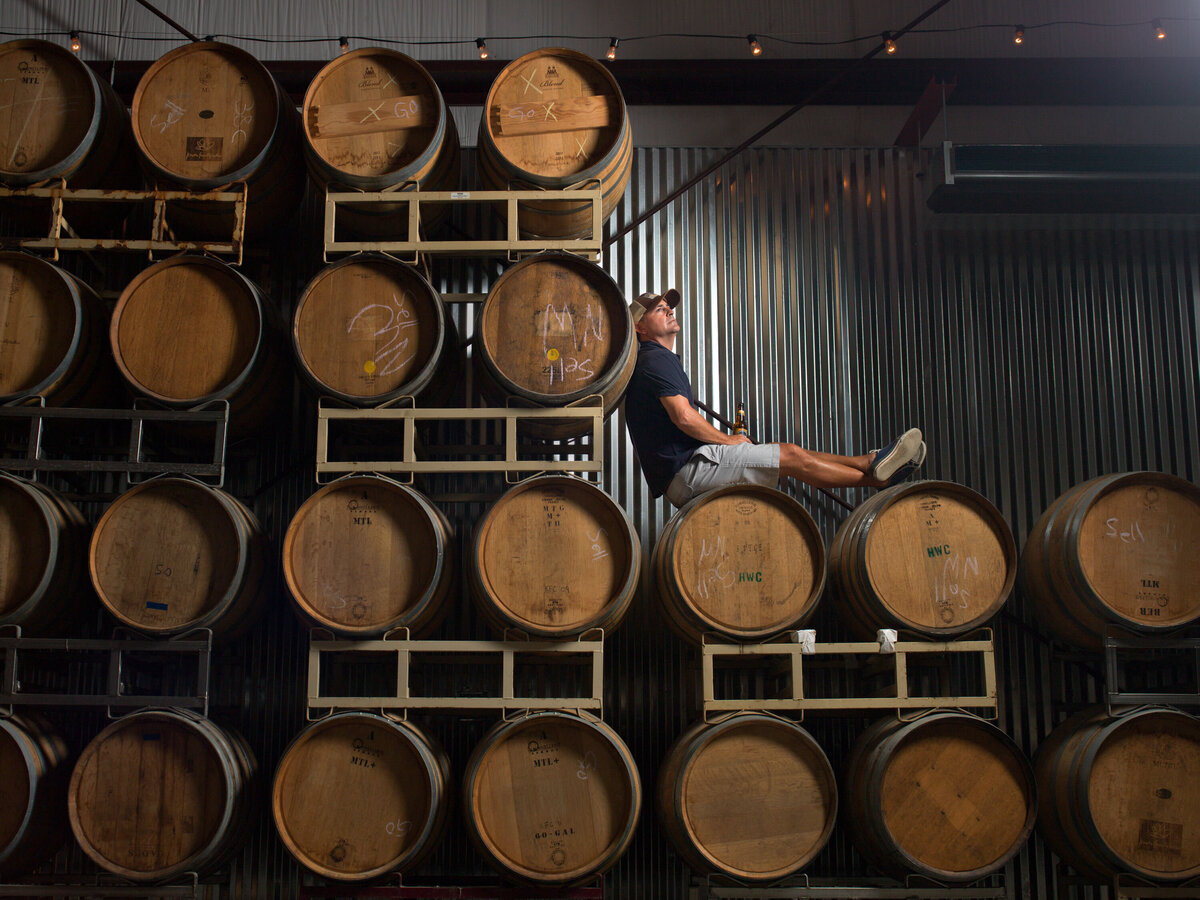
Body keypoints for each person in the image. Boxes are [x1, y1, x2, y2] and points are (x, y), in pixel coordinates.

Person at [623, 288, 926, 507]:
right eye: (659, 310)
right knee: (791, 456)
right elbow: (683, 416)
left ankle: (869, 462)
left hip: (688, 470)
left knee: (792, 453)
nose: (669, 310)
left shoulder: (661, 359)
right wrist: (729, 441)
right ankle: (876, 478)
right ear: (640, 327)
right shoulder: (654, 359)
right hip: (687, 472)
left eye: (668, 306)